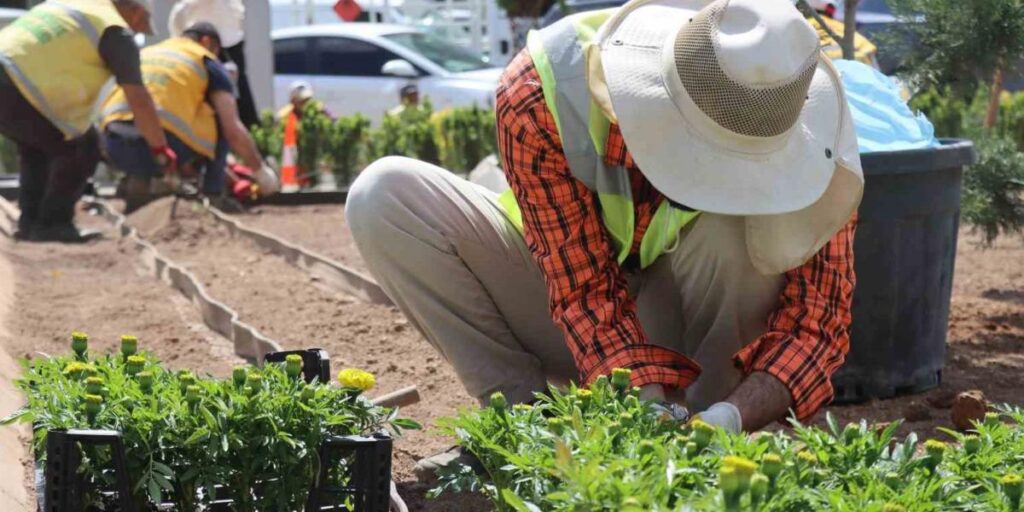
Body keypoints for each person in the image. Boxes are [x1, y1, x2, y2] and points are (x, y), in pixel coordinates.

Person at [345, 0, 864, 478]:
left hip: (698, 339)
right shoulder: (546, 89)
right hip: (561, 313)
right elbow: (584, 292)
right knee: (384, 194)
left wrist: (730, 416)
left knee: (744, 240)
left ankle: (699, 449)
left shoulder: (815, 137)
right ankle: (528, 432)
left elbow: (816, 323)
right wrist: (645, 404)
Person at [0, 0, 172, 242]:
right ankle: (53, 225)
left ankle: (31, 223)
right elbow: (138, 99)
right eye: (141, 25)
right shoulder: (116, 31)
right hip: (18, 84)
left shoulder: (77, 5)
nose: (138, 32)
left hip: (10, 76)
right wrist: (159, 147)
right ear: (135, 11)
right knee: (85, 145)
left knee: (38, 148)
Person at [98, 22, 277, 213]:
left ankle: (139, 179)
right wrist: (261, 172)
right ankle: (213, 195)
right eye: (217, 51)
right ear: (206, 41)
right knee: (220, 118)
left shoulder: (149, 51)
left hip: (112, 144)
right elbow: (233, 131)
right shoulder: (205, 61)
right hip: (162, 147)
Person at [168, 0, 257, 128]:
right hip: (200, 49)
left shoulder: (183, 9)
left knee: (238, 99)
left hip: (226, 44)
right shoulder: (183, 10)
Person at [277, 81, 330, 192]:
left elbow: (332, 119)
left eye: (307, 99)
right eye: (302, 100)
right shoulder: (285, 116)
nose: (306, 103)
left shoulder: (318, 111)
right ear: (293, 101)